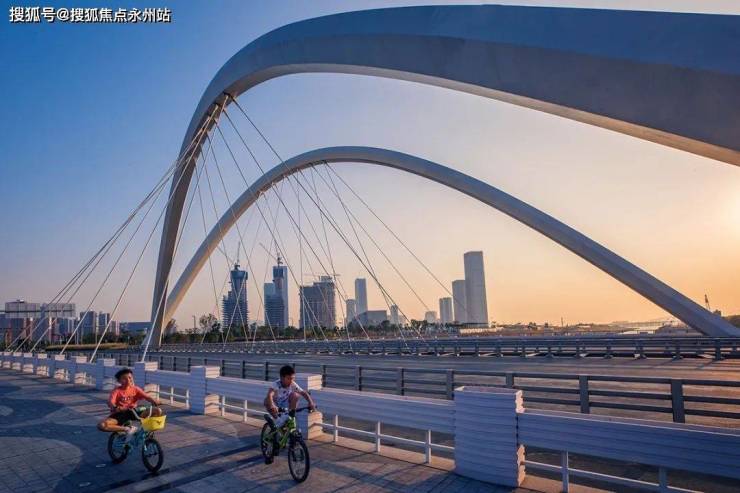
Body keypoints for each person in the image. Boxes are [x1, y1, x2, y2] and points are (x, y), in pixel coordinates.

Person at [97, 367, 162, 440]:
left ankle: (145, 432)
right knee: (102, 425)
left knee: (157, 411)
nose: (128, 380)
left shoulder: (135, 389)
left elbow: (147, 397)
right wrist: (115, 407)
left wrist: (154, 400)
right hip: (120, 414)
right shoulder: (116, 391)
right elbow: (111, 402)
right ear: (119, 381)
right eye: (124, 378)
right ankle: (127, 429)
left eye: (130, 377)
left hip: (133, 412)